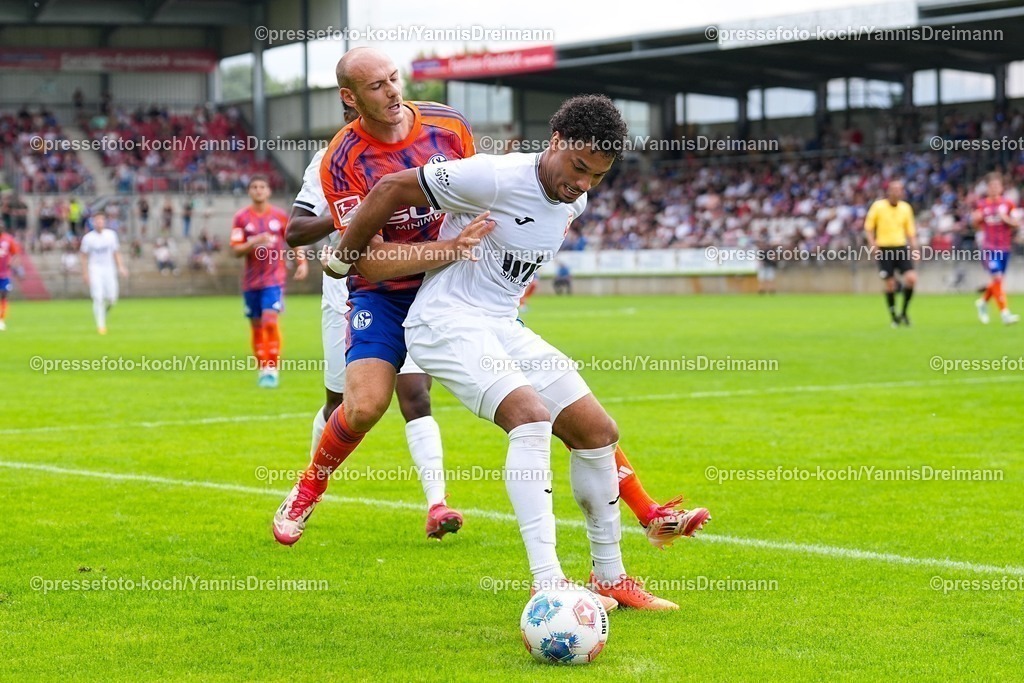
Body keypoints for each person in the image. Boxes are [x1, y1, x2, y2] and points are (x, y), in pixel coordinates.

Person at [331, 94, 707, 609]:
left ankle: (610, 577)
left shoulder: (575, 201)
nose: (582, 183)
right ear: (554, 142)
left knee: (598, 432)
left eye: (596, 176)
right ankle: (547, 580)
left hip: (499, 324)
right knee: (530, 419)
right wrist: (345, 257)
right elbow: (392, 186)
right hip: (444, 321)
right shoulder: (496, 176)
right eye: (577, 167)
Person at [272, 48, 477, 545]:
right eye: (376, 86)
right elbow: (324, 243)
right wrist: (373, 209)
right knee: (357, 406)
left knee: (523, 396)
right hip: (372, 288)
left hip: (443, 285)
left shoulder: (448, 127)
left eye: (394, 80)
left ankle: (438, 503)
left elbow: (477, 194)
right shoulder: (338, 158)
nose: (392, 93)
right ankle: (308, 487)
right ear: (350, 99)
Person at [230, 175, 307, 388]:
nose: (258, 190)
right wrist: (253, 242)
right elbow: (236, 250)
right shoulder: (241, 218)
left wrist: (302, 262)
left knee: (270, 321)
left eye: (262, 186)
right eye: (254, 187)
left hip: (274, 279)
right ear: (249, 191)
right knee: (256, 326)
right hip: (251, 281)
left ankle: (271, 369)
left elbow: (294, 240)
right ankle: (263, 368)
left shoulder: (280, 216)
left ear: (268, 191)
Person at [865, 179, 918, 327]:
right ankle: (894, 317)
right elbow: (869, 227)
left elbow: (911, 231)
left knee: (911, 279)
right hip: (884, 248)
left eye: (900, 189)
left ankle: (904, 312)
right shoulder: (878, 207)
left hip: (900, 247)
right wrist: (873, 244)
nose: (898, 192)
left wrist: (915, 249)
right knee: (890, 284)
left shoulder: (906, 208)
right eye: (895, 189)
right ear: (889, 191)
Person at [972, 173, 1020, 325]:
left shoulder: (1008, 204)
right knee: (997, 278)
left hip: (1004, 247)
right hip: (989, 247)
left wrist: (1004, 218)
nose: (994, 189)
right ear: (987, 188)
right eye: (991, 186)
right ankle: (1005, 314)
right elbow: (975, 224)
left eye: (996, 186)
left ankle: (982, 302)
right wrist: (976, 219)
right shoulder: (982, 204)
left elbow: (1016, 223)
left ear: (1001, 188)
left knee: (998, 282)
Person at [79, 213, 128, 335]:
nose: (99, 223)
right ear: (93, 222)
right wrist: (85, 273)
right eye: (97, 221)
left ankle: (104, 313)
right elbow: (84, 256)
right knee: (98, 297)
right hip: (95, 269)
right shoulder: (88, 238)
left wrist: (121, 267)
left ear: (104, 222)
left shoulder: (111, 235)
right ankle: (101, 326)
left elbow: (116, 252)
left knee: (112, 298)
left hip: (109, 269)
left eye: (101, 220)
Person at [0, 226, 22, 330]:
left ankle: (1, 319)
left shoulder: (8, 239)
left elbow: (15, 253)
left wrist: (12, 262)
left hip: (4, 273)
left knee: (4, 295)